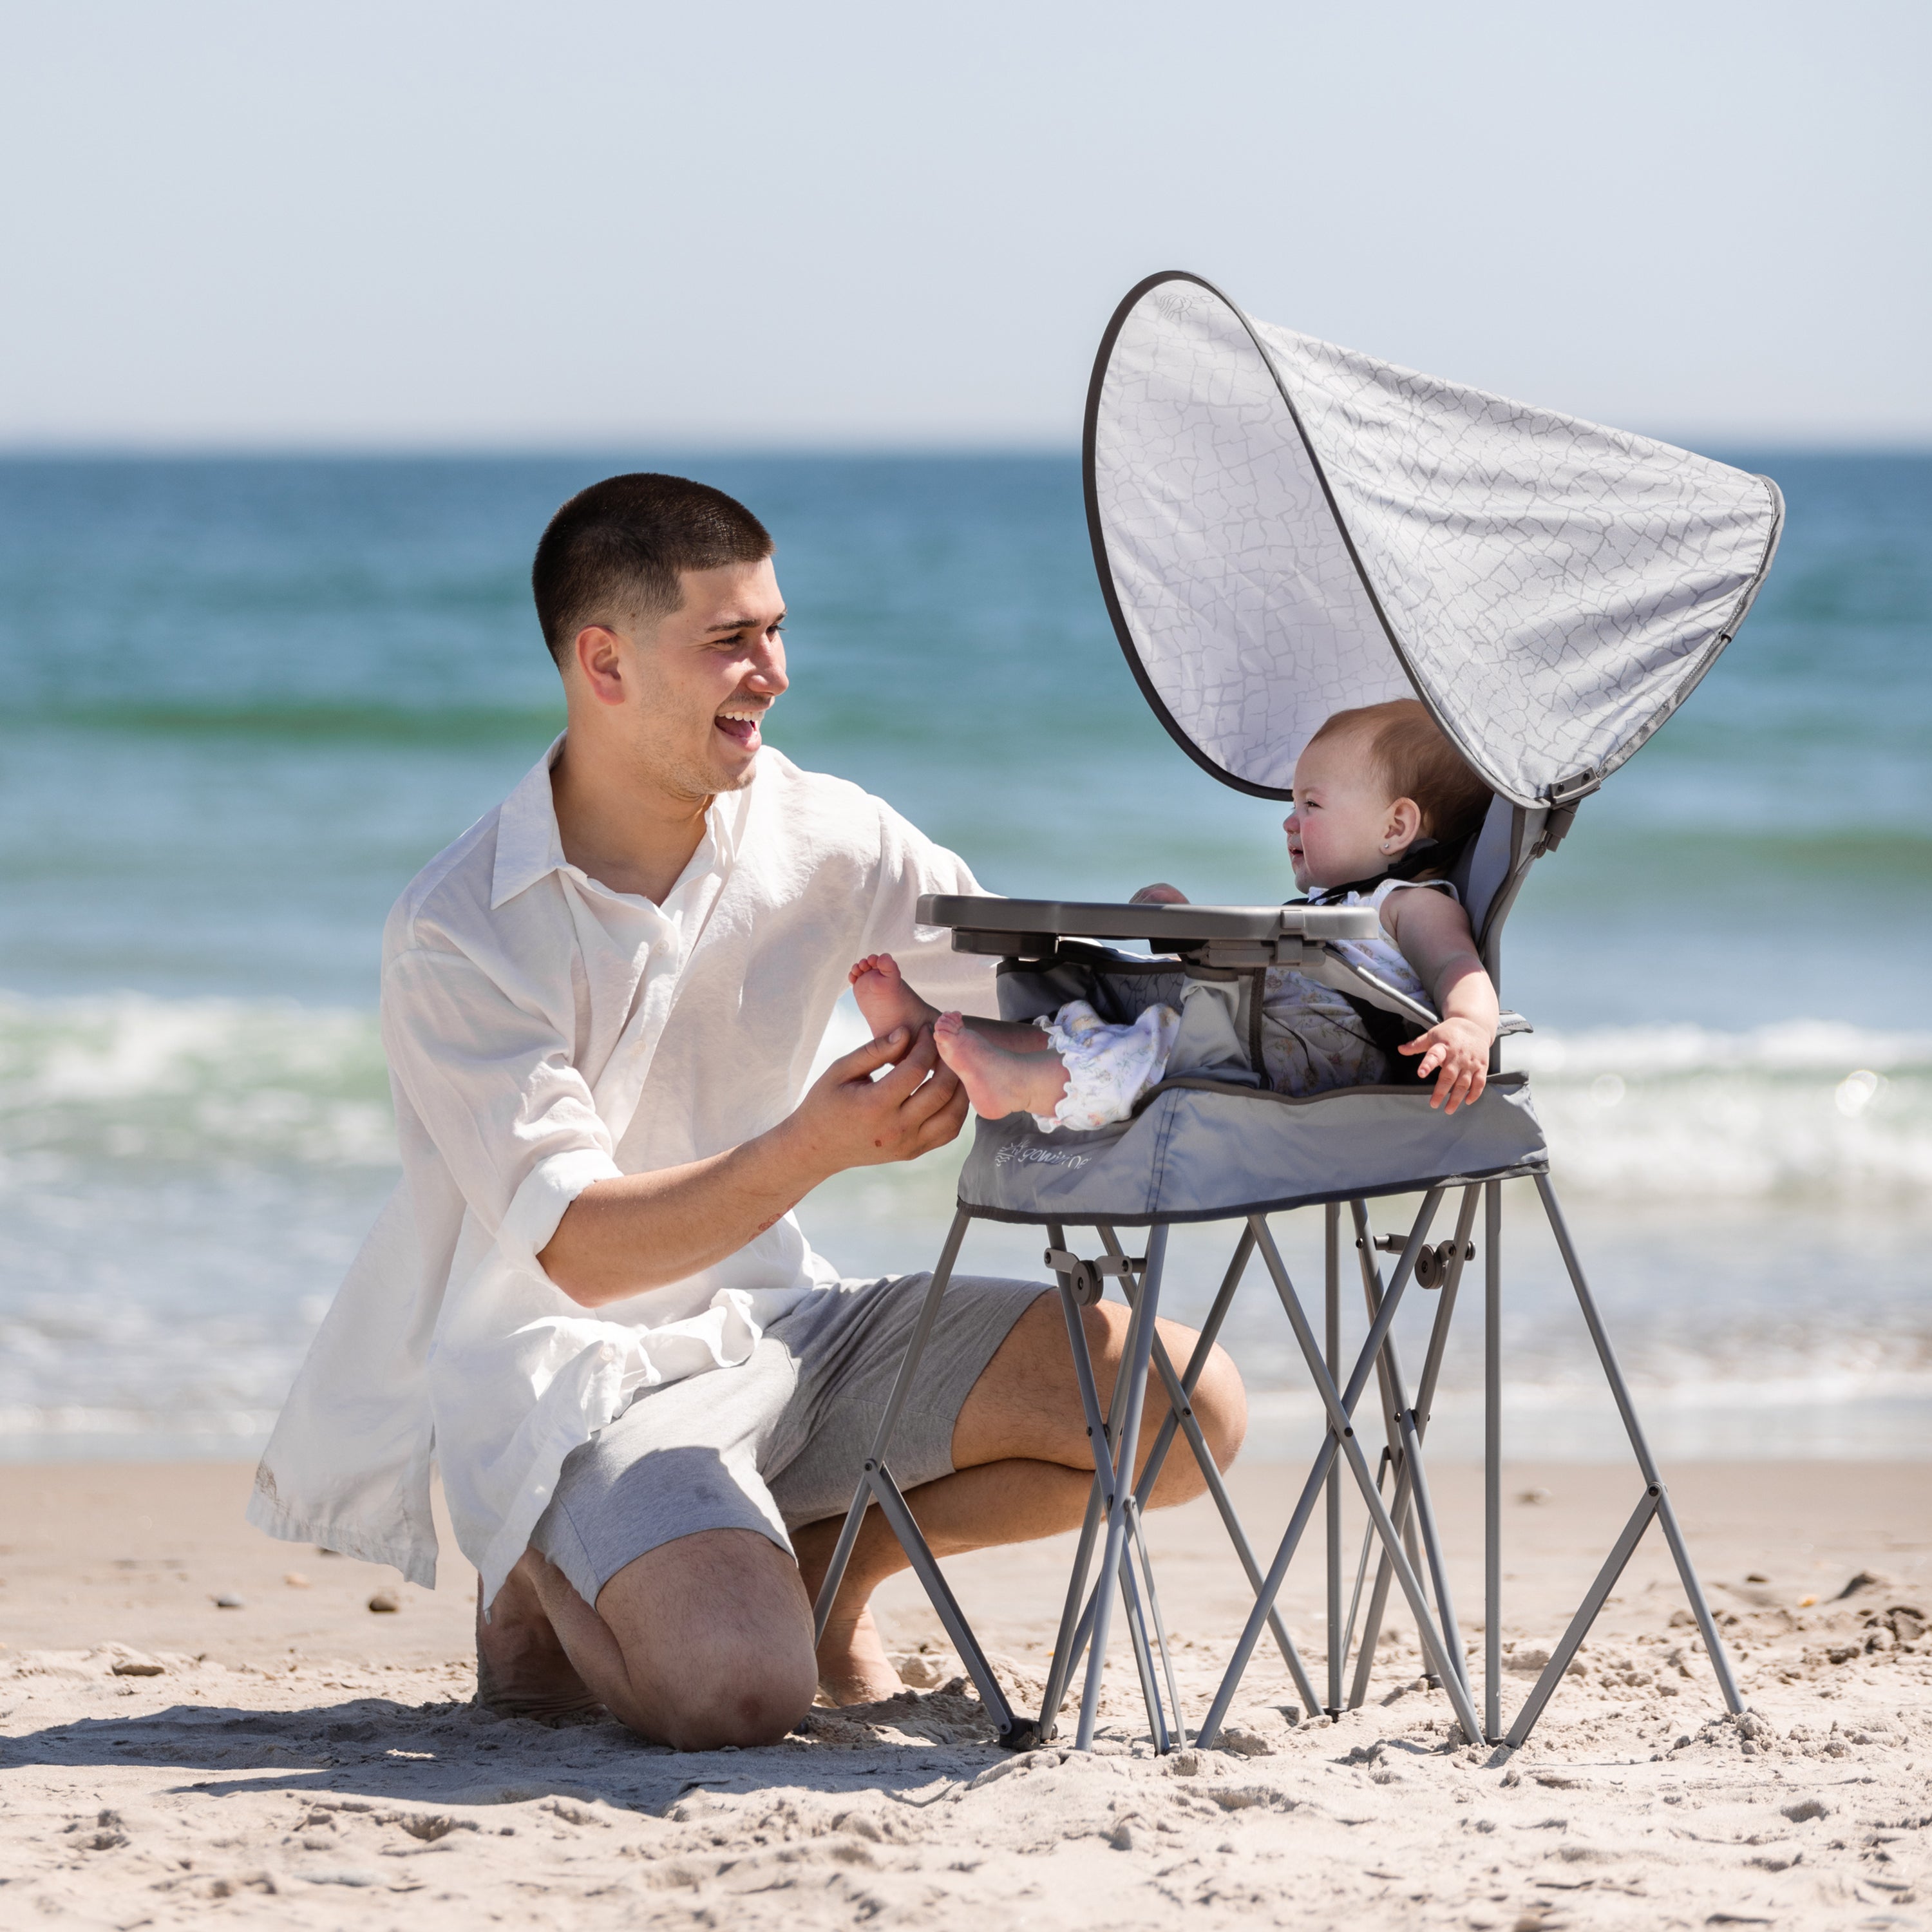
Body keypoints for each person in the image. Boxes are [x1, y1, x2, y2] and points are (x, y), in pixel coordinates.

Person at [245, 473, 1245, 1752]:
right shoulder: (461, 928)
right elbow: (578, 1251)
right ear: (605, 664)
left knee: (1185, 1406)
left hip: (795, 1332)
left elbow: (1019, 990)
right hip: (579, 1381)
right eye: (730, 639)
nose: (773, 672)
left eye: (775, 630)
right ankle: (538, 1571)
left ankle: (828, 1562)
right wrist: (814, 1148)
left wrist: (1145, 961)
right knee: (736, 1694)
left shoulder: (832, 833)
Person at [848, 699, 1499, 1132]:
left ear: (1396, 826)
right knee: (1107, 1022)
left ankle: (1018, 1084)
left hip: (1316, 1063)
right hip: (1254, 1037)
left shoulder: (1412, 904)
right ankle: (940, 1031)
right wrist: (1190, 928)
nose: (1289, 821)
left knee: (1154, 1043)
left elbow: (1458, 966)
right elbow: (1265, 969)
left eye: (1312, 805)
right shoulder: (1330, 908)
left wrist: (1469, 1026)